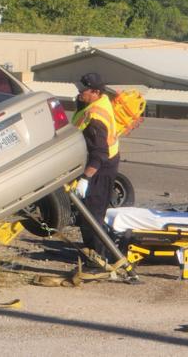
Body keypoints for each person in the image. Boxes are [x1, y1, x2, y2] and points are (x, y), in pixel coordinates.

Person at [71, 72, 120, 260]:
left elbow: (100, 154)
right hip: (101, 163)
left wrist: (85, 179)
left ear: (95, 91)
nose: (79, 93)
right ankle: (93, 251)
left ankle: (100, 257)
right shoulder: (97, 102)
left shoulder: (95, 117)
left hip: (101, 167)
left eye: (82, 90)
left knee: (92, 215)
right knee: (89, 213)